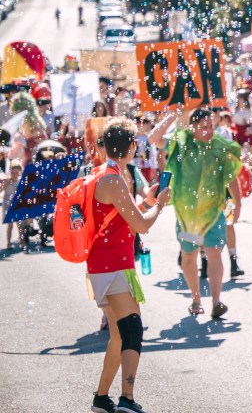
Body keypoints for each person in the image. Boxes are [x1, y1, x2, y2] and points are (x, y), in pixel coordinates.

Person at [88, 118, 170, 413]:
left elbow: (126, 219)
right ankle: (127, 399)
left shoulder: (105, 174)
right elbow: (141, 226)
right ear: (133, 146)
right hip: (113, 267)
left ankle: (101, 398)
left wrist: (147, 202)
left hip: (106, 266)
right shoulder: (113, 179)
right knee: (132, 330)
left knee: (118, 336)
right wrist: (159, 204)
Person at [148, 108, 243, 318]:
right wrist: (173, 115)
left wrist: (238, 203)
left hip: (213, 211)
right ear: (192, 128)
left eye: (211, 126)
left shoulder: (219, 145)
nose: (209, 131)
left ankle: (216, 302)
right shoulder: (181, 142)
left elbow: (231, 176)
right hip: (187, 216)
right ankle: (196, 299)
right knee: (189, 255)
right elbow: (154, 138)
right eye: (203, 127)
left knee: (214, 253)